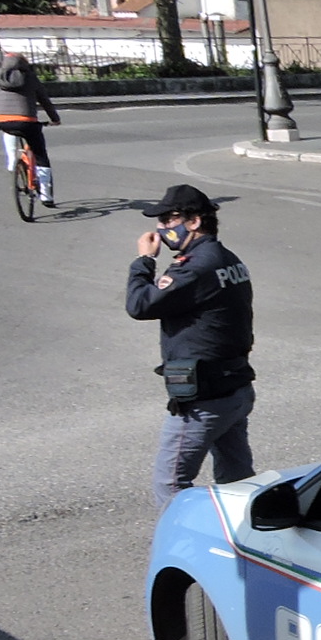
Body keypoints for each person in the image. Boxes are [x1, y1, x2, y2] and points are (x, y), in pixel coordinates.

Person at [126, 184, 255, 511]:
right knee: (236, 479)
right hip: (234, 388)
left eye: (168, 220)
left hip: (204, 401)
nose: (161, 229)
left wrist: (144, 260)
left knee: (170, 483)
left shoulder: (195, 267)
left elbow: (140, 304)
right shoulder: (227, 258)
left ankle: (182, 550)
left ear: (194, 222)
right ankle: (246, 542)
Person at [0, 49, 60, 205]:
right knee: (40, 155)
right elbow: (44, 100)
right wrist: (55, 119)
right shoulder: (30, 77)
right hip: (26, 120)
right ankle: (46, 195)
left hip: (2, 119)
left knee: (9, 130)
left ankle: (11, 161)